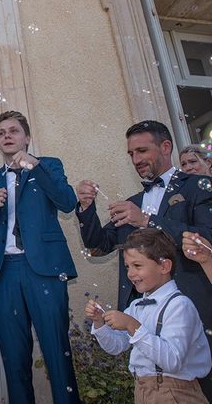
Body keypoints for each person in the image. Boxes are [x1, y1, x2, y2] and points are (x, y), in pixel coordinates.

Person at [76, 119, 212, 398]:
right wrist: (86, 208)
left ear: (165, 147)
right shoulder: (134, 200)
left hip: (193, 307)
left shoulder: (197, 186)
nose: (136, 159)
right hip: (143, 311)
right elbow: (99, 245)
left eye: (142, 151)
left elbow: (207, 236)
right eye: (131, 154)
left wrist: (148, 220)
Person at [0, 111, 80, 404]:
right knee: (14, 357)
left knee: (57, 352)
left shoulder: (48, 165)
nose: (7, 136)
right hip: (5, 274)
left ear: (27, 137)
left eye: (14, 131)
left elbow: (67, 202)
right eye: (1, 133)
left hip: (44, 270)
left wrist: (36, 168)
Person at [85, 229, 211, 404]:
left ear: (164, 266)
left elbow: (172, 361)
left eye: (137, 266)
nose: (130, 273)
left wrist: (132, 326)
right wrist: (100, 324)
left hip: (176, 392)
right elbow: (116, 346)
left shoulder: (180, 306)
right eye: (128, 266)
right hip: (143, 390)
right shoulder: (137, 306)